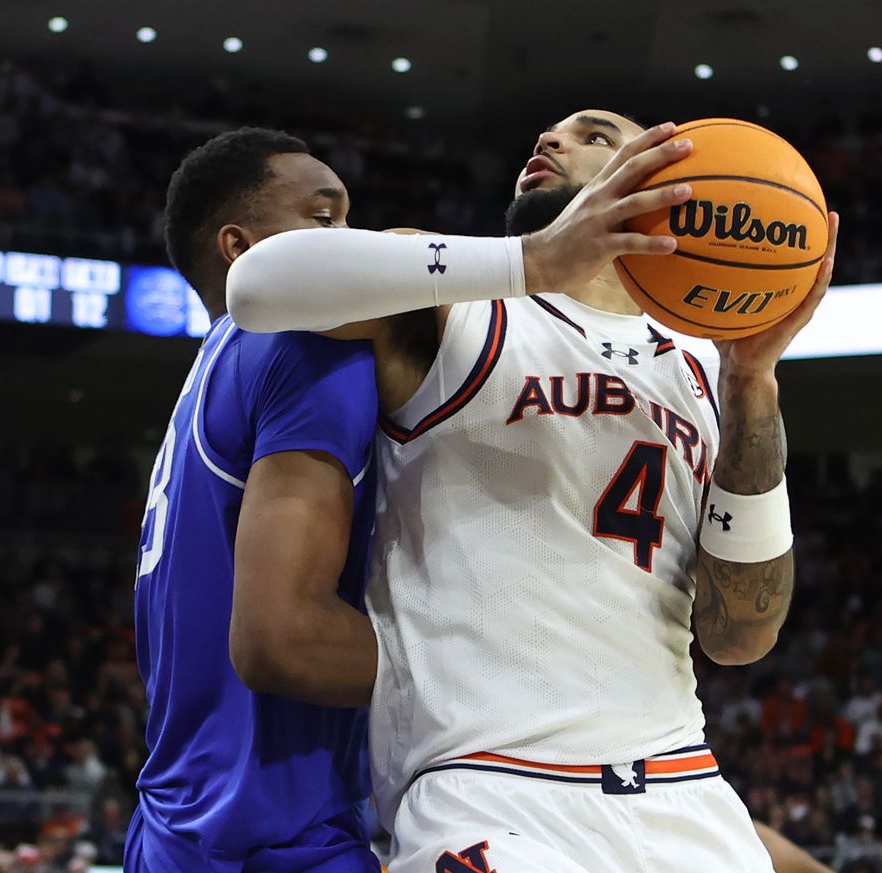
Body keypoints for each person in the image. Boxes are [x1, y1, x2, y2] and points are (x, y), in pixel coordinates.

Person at [228, 112, 840, 872]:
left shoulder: (706, 373)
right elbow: (253, 286)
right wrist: (534, 261)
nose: (548, 141)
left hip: (683, 787)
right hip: (486, 784)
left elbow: (741, 634)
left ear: (668, 188)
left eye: (594, 136)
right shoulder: (462, 300)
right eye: (548, 134)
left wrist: (752, 380)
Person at [124, 128, 381, 872]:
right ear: (241, 249)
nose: (352, 240)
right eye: (323, 218)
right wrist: (515, 671)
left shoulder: (211, 365)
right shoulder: (299, 341)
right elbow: (284, 639)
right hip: (276, 835)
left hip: (173, 824)